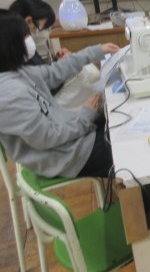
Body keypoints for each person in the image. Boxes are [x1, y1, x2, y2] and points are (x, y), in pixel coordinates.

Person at [0, 9, 119, 178]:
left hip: (72, 141)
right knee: (133, 148)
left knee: (118, 120)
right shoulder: (8, 95)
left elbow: (55, 71)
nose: (29, 40)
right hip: (68, 157)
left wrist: (96, 51)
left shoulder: (16, 73)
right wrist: (85, 116)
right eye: (24, 36)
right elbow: (46, 137)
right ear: (10, 45)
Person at [9, 0, 71, 65]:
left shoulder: (24, 47)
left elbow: (40, 68)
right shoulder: (10, 53)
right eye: (41, 28)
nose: (38, 33)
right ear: (29, 21)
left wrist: (57, 61)